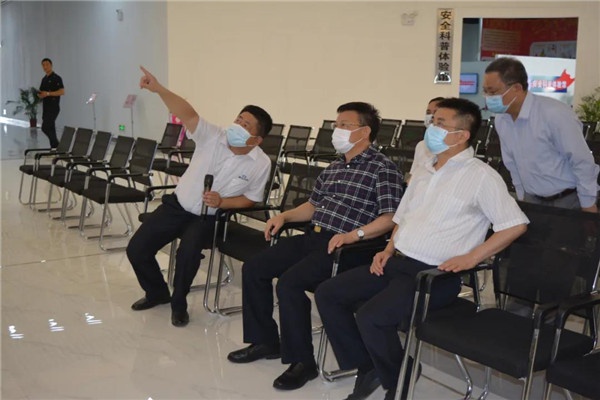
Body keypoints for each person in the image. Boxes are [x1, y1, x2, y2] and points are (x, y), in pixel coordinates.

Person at [315, 98, 529, 400]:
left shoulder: (481, 176)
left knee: (371, 316)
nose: (431, 127)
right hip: (397, 262)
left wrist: (472, 257)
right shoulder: (426, 170)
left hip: (434, 275)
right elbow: (403, 217)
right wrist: (388, 249)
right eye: (433, 120)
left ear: (461, 135)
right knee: (328, 293)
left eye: (440, 123)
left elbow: (515, 225)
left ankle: (397, 378)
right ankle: (370, 366)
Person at [227, 102, 404, 392]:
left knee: (290, 284)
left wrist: (355, 235)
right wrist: (285, 216)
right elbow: (313, 206)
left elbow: (390, 218)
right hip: (315, 236)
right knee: (255, 268)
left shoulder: (383, 169)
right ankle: (265, 341)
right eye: (337, 125)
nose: (337, 130)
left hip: (347, 247)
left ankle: (302, 362)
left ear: (364, 132)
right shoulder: (334, 167)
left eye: (345, 125)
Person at [126, 66, 272, 327]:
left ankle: (179, 303)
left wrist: (223, 202)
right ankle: (157, 292)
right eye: (238, 119)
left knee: (188, 255)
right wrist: (158, 89)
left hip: (209, 217)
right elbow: (188, 113)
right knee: (137, 249)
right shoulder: (213, 136)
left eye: (246, 125)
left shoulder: (260, 163)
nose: (237, 126)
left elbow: (250, 199)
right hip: (177, 206)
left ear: (257, 139)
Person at [483, 56, 599, 212]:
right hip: (532, 200)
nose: (488, 97)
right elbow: (512, 163)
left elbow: (581, 161)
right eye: (485, 91)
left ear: (517, 88)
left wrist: (588, 204)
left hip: (568, 200)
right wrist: (521, 197)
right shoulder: (502, 119)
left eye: (493, 92)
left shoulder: (554, 113)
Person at [406, 97, 445, 183]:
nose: (431, 116)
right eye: (428, 112)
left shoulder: (447, 146)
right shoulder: (421, 145)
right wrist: (405, 185)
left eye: (435, 112)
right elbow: (412, 172)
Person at [38, 58, 65, 148]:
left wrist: (48, 93)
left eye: (47, 64)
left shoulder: (57, 78)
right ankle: (54, 148)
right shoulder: (44, 79)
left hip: (53, 107)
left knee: (45, 127)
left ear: (51, 65)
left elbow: (62, 92)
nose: (45, 67)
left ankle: (57, 145)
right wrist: (40, 95)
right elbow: (42, 92)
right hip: (46, 107)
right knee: (51, 128)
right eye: (43, 65)